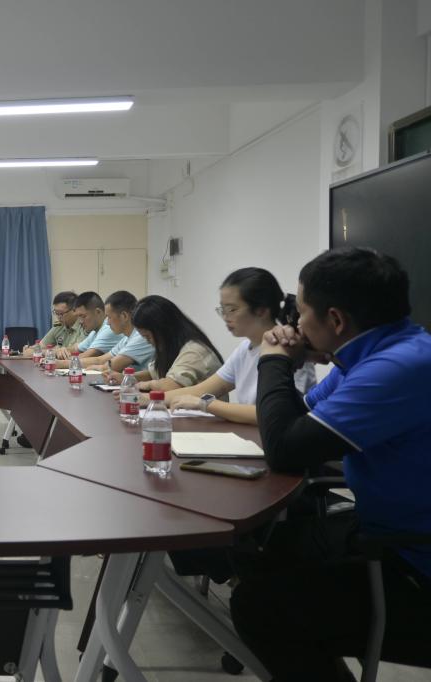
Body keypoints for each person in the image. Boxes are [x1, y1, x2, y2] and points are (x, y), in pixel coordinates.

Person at [231, 247, 431, 681]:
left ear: (336, 320)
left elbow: (285, 448)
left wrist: (272, 358)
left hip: (414, 562)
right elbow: (295, 419)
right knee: (259, 547)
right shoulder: (363, 357)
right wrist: (291, 362)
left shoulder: (399, 367)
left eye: (301, 313)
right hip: (384, 529)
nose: (295, 324)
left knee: (260, 608)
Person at [162, 267, 315, 423]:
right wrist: (150, 399)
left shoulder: (289, 345)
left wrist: (206, 404)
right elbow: (201, 390)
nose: (225, 317)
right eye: (223, 309)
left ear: (261, 310)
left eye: (232, 309)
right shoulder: (244, 349)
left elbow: (273, 413)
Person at [106, 295, 223, 390]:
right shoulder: (172, 347)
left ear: (163, 329)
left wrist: (143, 385)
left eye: (148, 337)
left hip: (206, 412)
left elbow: (171, 386)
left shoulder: (194, 350)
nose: (148, 342)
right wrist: (126, 378)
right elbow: (153, 373)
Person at [83, 290, 155, 374]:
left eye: (109, 317)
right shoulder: (126, 338)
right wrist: (73, 362)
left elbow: (113, 366)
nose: (107, 323)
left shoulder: (140, 336)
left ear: (124, 316)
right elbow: (101, 360)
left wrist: (99, 367)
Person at [56, 290, 122, 362]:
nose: (80, 321)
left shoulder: (109, 328)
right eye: (78, 317)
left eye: (83, 316)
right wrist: (62, 350)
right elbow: (76, 348)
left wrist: (57, 362)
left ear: (98, 312)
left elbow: (85, 357)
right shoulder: (95, 331)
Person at [23, 291, 86, 356]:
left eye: (61, 313)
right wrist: (52, 352)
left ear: (74, 310)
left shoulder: (85, 325)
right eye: (56, 313)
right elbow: (30, 351)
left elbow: (77, 350)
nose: (58, 317)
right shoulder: (58, 325)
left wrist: (51, 351)